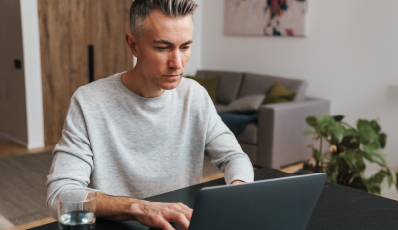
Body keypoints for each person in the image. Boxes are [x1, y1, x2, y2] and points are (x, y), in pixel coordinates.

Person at [45, 0, 254, 229]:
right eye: (163, 48)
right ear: (133, 45)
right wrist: (139, 207)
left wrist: (237, 191)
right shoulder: (88, 101)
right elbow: (60, 195)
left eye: (184, 47)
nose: (177, 64)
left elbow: (234, 157)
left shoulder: (195, 96)